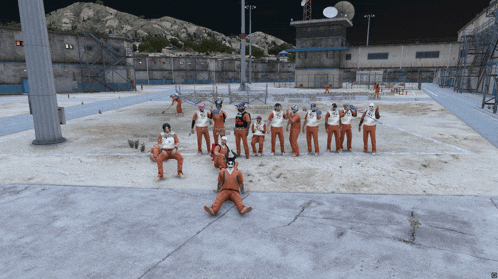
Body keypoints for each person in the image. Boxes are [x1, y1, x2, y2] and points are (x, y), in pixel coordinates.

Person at [204, 151, 252, 216]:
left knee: (238, 200)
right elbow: (220, 183)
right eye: (229, 163)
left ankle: (243, 209)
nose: (230, 164)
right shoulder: (222, 172)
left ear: (234, 164)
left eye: (231, 163)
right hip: (225, 191)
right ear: (227, 164)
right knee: (219, 199)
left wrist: (243, 191)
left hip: (234, 191)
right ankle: (213, 209)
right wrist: (218, 190)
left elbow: (241, 183)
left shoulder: (238, 172)